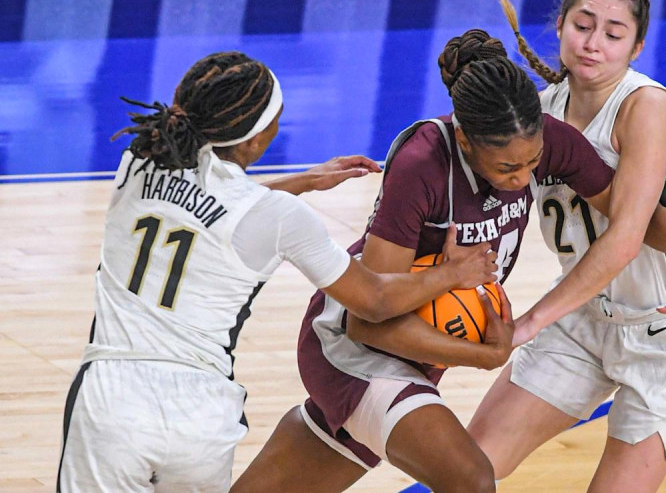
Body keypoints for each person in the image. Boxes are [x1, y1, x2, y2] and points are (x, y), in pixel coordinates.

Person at [233, 30, 666, 493]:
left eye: (532, 164)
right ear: (466, 140)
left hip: (419, 347)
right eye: (507, 167)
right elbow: (368, 321)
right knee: (470, 477)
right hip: (351, 345)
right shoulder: (423, 161)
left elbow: (631, 214)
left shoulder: (545, 139)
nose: (522, 178)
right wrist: (479, 343)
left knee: (310, 461)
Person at [56, 51, 500, 493]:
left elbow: (206, 210)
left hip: (113, 397)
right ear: (254, 142)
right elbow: (375, 300)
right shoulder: (279, 216)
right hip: (200, 416)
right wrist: (451, 274)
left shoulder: (142, 158)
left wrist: (303, 181)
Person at [467, 0, 666, 492]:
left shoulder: (645, 107)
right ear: (561, 27)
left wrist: (528, 322)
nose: (593, 43)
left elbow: (626, 237)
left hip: (665, 336)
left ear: (636, 47)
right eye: (583, 26)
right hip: (581, 320)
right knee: (463, 471)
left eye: (613, 33)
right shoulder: (537, 112)